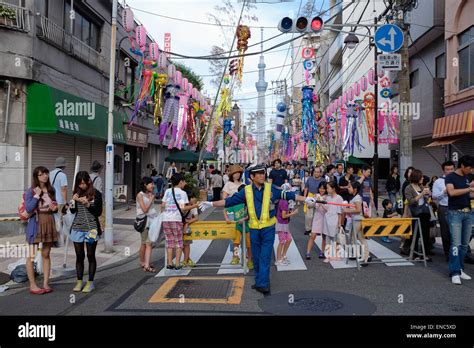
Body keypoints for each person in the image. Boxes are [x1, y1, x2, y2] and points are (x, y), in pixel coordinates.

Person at [199, 164, 315, 294]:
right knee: (256, 257)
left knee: (265, 256)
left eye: (263, 173)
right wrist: (211, 203)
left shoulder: (271, 189)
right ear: (252, 177)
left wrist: (306, 199)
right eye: (258, 174)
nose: (261, 176)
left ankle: (263, 284)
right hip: (253, 229)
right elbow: (229, 201)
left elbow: (288, 195)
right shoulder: (246, 191)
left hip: (268, 229)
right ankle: (259, 279)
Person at [24, 166, 58, 294]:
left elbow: (55, 205)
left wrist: (55, 207)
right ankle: (33, 285)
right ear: (36, 177)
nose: (44, 176)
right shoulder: (31, 191)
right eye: (41, 174)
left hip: (49, 222)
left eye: (45, 173)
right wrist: (37, 196)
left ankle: (45, 283)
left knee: (46, 254)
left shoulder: (51, 190)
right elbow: (28, 208)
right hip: (35, 224)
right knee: (31, 256)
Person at [69, 171, 103, 293]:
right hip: (78, 227)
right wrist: (73, 202)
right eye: (79, 184)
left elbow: (98, 212)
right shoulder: (76, 193)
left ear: (89, 181)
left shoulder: (96, 194)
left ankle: (90, 282)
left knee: (90, 255)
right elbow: (73, 212)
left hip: (91, 228)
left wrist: (88, 204)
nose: (82, 186)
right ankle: (79, 281)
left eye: (83, 183)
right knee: (79, 256)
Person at [445, 155, 474, 285]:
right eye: (470, 168)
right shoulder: (450, 177)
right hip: (455, 213)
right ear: (462, 166)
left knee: (464, 244)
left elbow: (469, 194)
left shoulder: (467, 178)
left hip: (468, 213)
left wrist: (471, 191)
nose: (471, 170)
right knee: (455, 244)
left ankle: (460, 269)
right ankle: (454, 272)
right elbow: (451, 192)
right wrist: (469, 189)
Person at [162, 173, 197, 270]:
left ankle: (169, 263)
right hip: (176, 219)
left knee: (169, 242)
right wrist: (194, 206)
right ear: (180, 182)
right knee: (178, 242)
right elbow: (183, 208)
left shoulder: (167, 191)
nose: (185, 183)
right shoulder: (183, 193)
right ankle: (177, 263)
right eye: (184, 181)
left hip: (166, 219)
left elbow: (162, 205)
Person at [222, 165, 252, 268]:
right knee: (234, 237)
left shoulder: (243, 184)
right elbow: (224, 201)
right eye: (235, 173)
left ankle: (248, 257)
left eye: (239, 173)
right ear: (231, 174)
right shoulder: (228, 184)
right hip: (232, 212)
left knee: (248, 238)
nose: (237, 174)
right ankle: (235, 256)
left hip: (245, 213)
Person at [404, 169, 433, 261]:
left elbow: (426, 200)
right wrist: (421, 194)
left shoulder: (421, 186)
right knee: (415, 235)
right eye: (421, 177)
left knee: (425, 234)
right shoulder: (408, 188)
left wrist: (428, 194)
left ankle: (423, 253)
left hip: (425, 213)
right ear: (417, 177)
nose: (423, 178)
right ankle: (414, 253)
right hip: (416, 214)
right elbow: (411, 201)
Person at [342, 182, 370, 266]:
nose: (348, 188)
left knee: (352, 237)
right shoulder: (355, 197)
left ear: (355, 189)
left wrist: (347, 210)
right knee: (361, 238)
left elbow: (358, 210)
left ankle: (361, 256)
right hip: (358, 220)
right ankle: (365, 256)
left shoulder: (357, 198)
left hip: (357, 220)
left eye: (350, 187)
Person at [432, 161, 455, 260]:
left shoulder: (458, 179)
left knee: (455, 232)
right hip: (444, 207)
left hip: (456, 207)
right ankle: (447, 253)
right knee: (445, 232)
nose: (449, 171)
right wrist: (444, 192)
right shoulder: (438, 181)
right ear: (443, 170)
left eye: (451, 169)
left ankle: (457, 253)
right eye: (447, 169)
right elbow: (434, 196)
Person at [136, 177, 158, 273]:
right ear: (145, 184)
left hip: (152, 220)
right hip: (144, 221)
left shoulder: (150, 194)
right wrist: (151, 199)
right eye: (151, 184)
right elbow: (145, 210)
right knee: (144, 243)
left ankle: (146, 262)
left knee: (149, 243)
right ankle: (142, 262)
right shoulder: (140, 195)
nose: (152, 186)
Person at [322, 182, 344, 263]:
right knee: (327, 239)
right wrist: (321, 202)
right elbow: (327, 208)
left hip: (334, 221)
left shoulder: (339, 198)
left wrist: (339, 224)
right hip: (327, 220)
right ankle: (328, 256)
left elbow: (339, 212)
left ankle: (337, 255)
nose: (327, 189)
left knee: (335, 239)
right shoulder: (328, 197)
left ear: (333, 188)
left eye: (328, 188)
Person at [306, 182, 328, 259]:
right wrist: (314, 202)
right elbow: (309, 206)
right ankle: (308, 252)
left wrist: (321, 202)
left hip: (325, 218)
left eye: (323, 188)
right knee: (313, 235)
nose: (321, 190)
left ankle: (322, 251)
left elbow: (328, 209)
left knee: (324, 237)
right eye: (320, 188)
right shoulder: (315, 195)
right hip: (317, 217)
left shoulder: (328, 197)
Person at [275, 197, 298, 266]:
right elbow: (283, 216)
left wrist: (291, 211)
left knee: (289, 239)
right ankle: (278, 260)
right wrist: (293, 213)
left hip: (284, 223)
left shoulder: (285, 201)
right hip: (281, 224)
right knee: (282, 242)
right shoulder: (284, 202)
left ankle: (283, 256)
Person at [303, 166, 326, 235]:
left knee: (318, 214)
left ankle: (317, 229)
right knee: (308, 215)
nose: (316, 173)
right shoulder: (309, 179)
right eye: (315, 172)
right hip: (310, 197)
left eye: (318, 172)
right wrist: (304, 197)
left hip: (319, 197)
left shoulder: (323, 180)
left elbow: (325, 189)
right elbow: (306, 188)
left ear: (320, 173)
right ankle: (308, 229)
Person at [182, 196, 199, 267]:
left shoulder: (193, 207)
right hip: (179, 225)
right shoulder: (181, 205)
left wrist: (188, 222)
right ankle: (188, 260)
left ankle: (185, 261)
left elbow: (196, 218)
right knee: (181, 244)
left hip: (187, 227)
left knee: (186, 244)